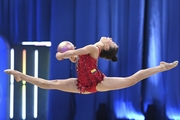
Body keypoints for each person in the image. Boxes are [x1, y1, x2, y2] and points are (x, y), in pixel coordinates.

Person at [4, 37, 178, 94]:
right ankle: (20, 75)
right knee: (49, 84)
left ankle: (161, 67)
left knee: (131, 80)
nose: (109, 37)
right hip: (82, 82)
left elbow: (74, 54)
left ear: (107, 46)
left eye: (111, 40)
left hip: (96, 82)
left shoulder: (92, 48)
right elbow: (77, 59)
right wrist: (70, 57)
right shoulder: (91, 50)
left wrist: (63, 55)